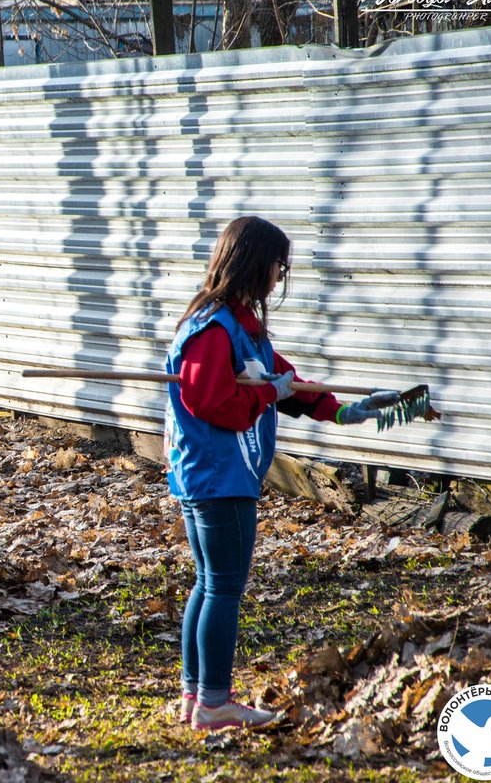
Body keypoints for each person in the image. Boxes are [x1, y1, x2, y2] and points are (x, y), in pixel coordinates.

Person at [163, 216, 399, 731]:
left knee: (210, 584)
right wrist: (267, 393)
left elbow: (283, 379)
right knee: (223, 586)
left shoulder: (238, 324)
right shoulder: (211, 329)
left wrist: (342, 410)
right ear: (254, 262)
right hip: (216, 475)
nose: (279, 275)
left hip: (216, 474)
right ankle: (213, 703)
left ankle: (196, 697)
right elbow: (210, 400)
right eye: (278, 265)